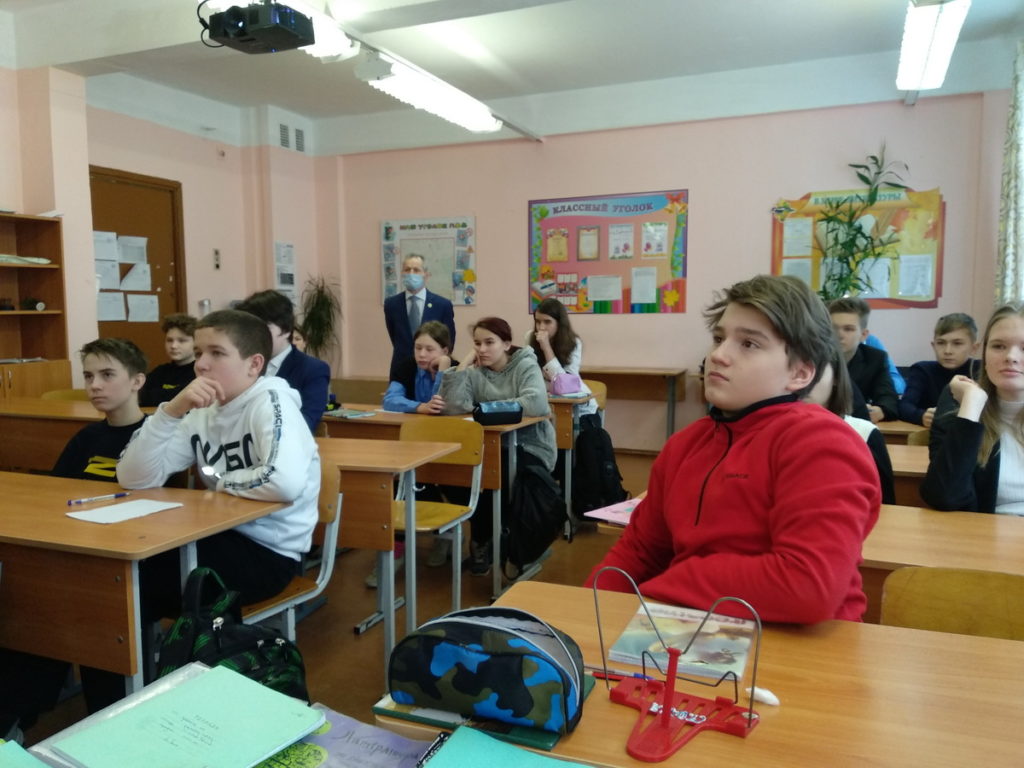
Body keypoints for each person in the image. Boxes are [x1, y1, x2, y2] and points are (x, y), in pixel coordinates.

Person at [585, 275, 880, 623]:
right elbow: (640, 552)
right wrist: (587, 615)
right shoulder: (685, 444)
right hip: (697, 628)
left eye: (749, 344)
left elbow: (807, 586)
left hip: (802, 644)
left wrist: (665, 585)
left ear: (800, 373)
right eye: (719, 338)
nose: (718, 355)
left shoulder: (822, 442)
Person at [79, 309, 320, 711]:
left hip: (269, 554)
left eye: (216, 353)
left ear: (253, 364)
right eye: (198, 353)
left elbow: (284, 481)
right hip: (217, 537)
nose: (201, 364)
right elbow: (134, 476)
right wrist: (170, 411)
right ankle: (117, 705)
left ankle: (154, 702)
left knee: (127, 584)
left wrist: (221, 482)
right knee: (111, 581)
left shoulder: (272, 401)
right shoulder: (201, 412)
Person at [439, 316, 557, 575]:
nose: (482, 349)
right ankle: (486, 535)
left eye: (489, 342)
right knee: (450, 473)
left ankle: (488, 538)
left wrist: (485, 409)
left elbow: (536, 404)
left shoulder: (525, 365)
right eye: (477, 343)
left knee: (498, 474)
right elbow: (453, 407)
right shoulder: (475, 372)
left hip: (530, 445)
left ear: (506, 344)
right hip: (487, 447)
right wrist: (464, 365)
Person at [921, 305, 1024, 513]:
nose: (1011, 357)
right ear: (984, 354)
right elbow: (944, 496)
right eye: (998, 346)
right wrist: (972, 406)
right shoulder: (959, 402)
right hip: (988, 530)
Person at [807, 346, 895, 504]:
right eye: (789, 369)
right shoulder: (766, 431)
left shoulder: (863, 433)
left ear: (836, 376)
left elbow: (885, 505)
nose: (800, 381)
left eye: (812, 370)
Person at [52, 338, 148, 480]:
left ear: (137, 381)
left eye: (107, 375)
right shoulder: (86, 436)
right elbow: (58, 485)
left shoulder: (154, 436)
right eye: (88, 376)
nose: (94, 385)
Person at [235, 290, 330, 433]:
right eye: (249, 329)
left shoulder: (313, 369)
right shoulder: (240, 363)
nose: (254, 335)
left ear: (286, 330)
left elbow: (306, 422)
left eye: (263, 328)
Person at [899, 313, 980, 426]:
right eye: (941, 343)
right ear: (933, 346)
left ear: (974, 348)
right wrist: (921, 416)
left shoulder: (982, 371)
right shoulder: (922, 370)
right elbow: (904, 406)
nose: (947, 351)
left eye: (957, 343)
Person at [384, 254, 456, 380]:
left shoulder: (442, 305)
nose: (411, 274)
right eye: (407, 269)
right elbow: (394, 336)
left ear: (426, 275)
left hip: (433, 369)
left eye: (416, 270)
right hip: (401, 369)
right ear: (402, 273)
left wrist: (440, 364)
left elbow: (449, 341)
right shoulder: (391, 304)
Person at [829, 297, 899, 423]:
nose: (839, 335)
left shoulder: (875, 358)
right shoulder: (810, 358)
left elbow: (889, 399)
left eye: (848, 329)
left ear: (863, 335)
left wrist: (881, 410)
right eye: (833, 328)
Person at [526, 297, 597, 416]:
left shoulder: (574, 342)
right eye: (538, 321)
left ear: (559, 323)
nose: (541, 327)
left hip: (580, 412)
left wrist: (546, 347)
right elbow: (530, 374)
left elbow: (564, 383)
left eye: (547, 322)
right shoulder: (530, 337)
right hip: (547, 405)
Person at [382, 320, 453, 415]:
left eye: (429, 349)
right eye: (418, 348)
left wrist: (443, 369)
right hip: (413, 422)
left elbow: (439, 406)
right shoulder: (406, 367)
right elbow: (390, 400)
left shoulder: (456, 368)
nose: (422, 354)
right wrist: (420, 407)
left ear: (445, 351)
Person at [139, 313, 197, 407]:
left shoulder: (201, 371)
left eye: (182, 341)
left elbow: (187, 398)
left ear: (196, 343)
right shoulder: (160, 371)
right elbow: (138, 395)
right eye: (169, 340)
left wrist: (157, 394)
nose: (173, 346)